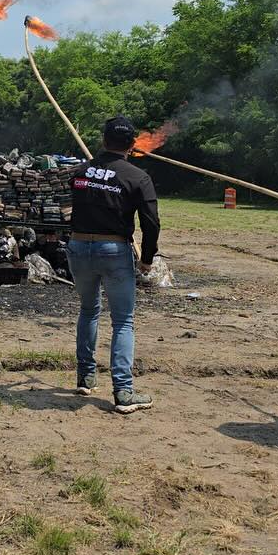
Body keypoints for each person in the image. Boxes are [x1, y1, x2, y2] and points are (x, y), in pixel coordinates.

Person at [67, 116, 160, 415]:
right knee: (123, 320)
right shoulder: (138, 177)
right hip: (114, 249)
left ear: (103, 140)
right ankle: (123, 392)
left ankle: (86, 377)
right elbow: (151, 223)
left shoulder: (80, 172)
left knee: (88, 310)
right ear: (132, 146)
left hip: (79, 246)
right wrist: (147, 258)